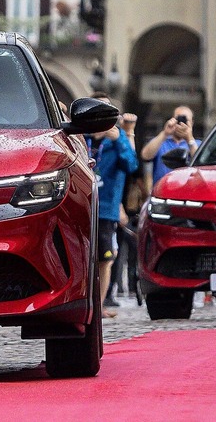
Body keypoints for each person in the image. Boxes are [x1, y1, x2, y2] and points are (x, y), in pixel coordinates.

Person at [86, 96, 138, 318]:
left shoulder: (118, 138)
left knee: (105, 258)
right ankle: (84, 305)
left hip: (106, 209)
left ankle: (98, 306)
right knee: (83, 259)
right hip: (82, 206)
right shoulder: (81, 136)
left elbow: (132, 165)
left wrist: (119, 140)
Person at [141, 105, 201, 184]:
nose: (181, 123)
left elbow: (200, 164)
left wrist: (189, 139)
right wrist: (165, 133)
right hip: (162, 188)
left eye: (185, 120)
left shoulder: (198, 144)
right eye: (179, 119)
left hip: (187, 188)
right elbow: (145, 156)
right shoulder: (161, 141)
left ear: (192, 123)